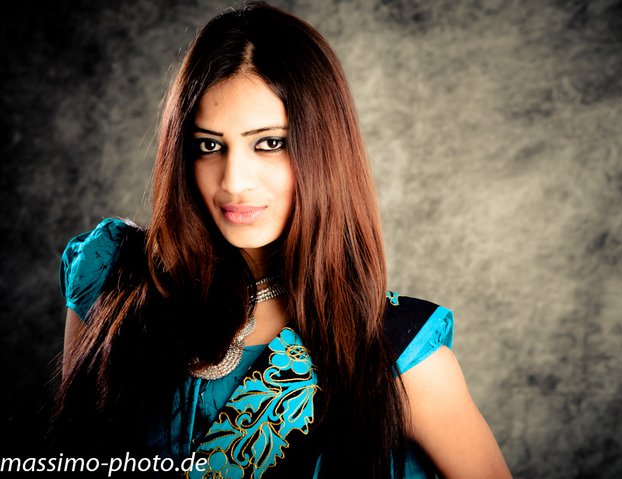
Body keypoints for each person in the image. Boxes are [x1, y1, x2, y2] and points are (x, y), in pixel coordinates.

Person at [53, 2, 511, 478]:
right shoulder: (114, 278)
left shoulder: (397, 353)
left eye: (269, 143)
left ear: (323, 148)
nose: (234, 181)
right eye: (209, 145)